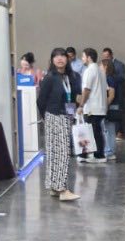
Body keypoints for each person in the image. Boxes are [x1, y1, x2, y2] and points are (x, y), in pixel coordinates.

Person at [36, 47, 81, 201]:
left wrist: (73, 114)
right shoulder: (49, 78)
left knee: (59, 153)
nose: (60, 58)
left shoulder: (71, 77)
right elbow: (41, 101)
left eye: (63, 56)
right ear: (52, 60)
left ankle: (55, 187)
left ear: (68, 59)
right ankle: (62, 189)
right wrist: (47, 116)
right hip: (53, 116)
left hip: (66, 116)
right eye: (56, 56)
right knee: (59, 153)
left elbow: (73, 97)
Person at [77, 48, 109, 164]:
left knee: (93, 132)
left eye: (83, 56)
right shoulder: (100, 70)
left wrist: (81, 105)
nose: (82, 59)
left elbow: (86, 89)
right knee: (96, 131)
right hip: (100, 106)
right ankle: (91, 154)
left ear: (89, 57)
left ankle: (98, 155)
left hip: (92, 107)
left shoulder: (90, 70)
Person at [101, 46, 125, 140]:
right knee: (109, 118)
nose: (105, 58)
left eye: (107, 56)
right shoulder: (103, 66)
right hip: (107, 94)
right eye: (104, 56)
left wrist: (110, 76)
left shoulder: (120, 65)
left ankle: (119, 132)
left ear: (111, 55)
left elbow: (122, 78)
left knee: (116, 114)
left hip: (117, 93)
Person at [101, 50, 121, 162]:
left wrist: (105, 106)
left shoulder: (109, 78)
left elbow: (111, 95)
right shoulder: (111, 78)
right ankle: (109, 151)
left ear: (106, 67)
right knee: (109, 130)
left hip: (110, 107)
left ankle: (109, 151)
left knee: (109, 131)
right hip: (112, 107)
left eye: (100, 66)